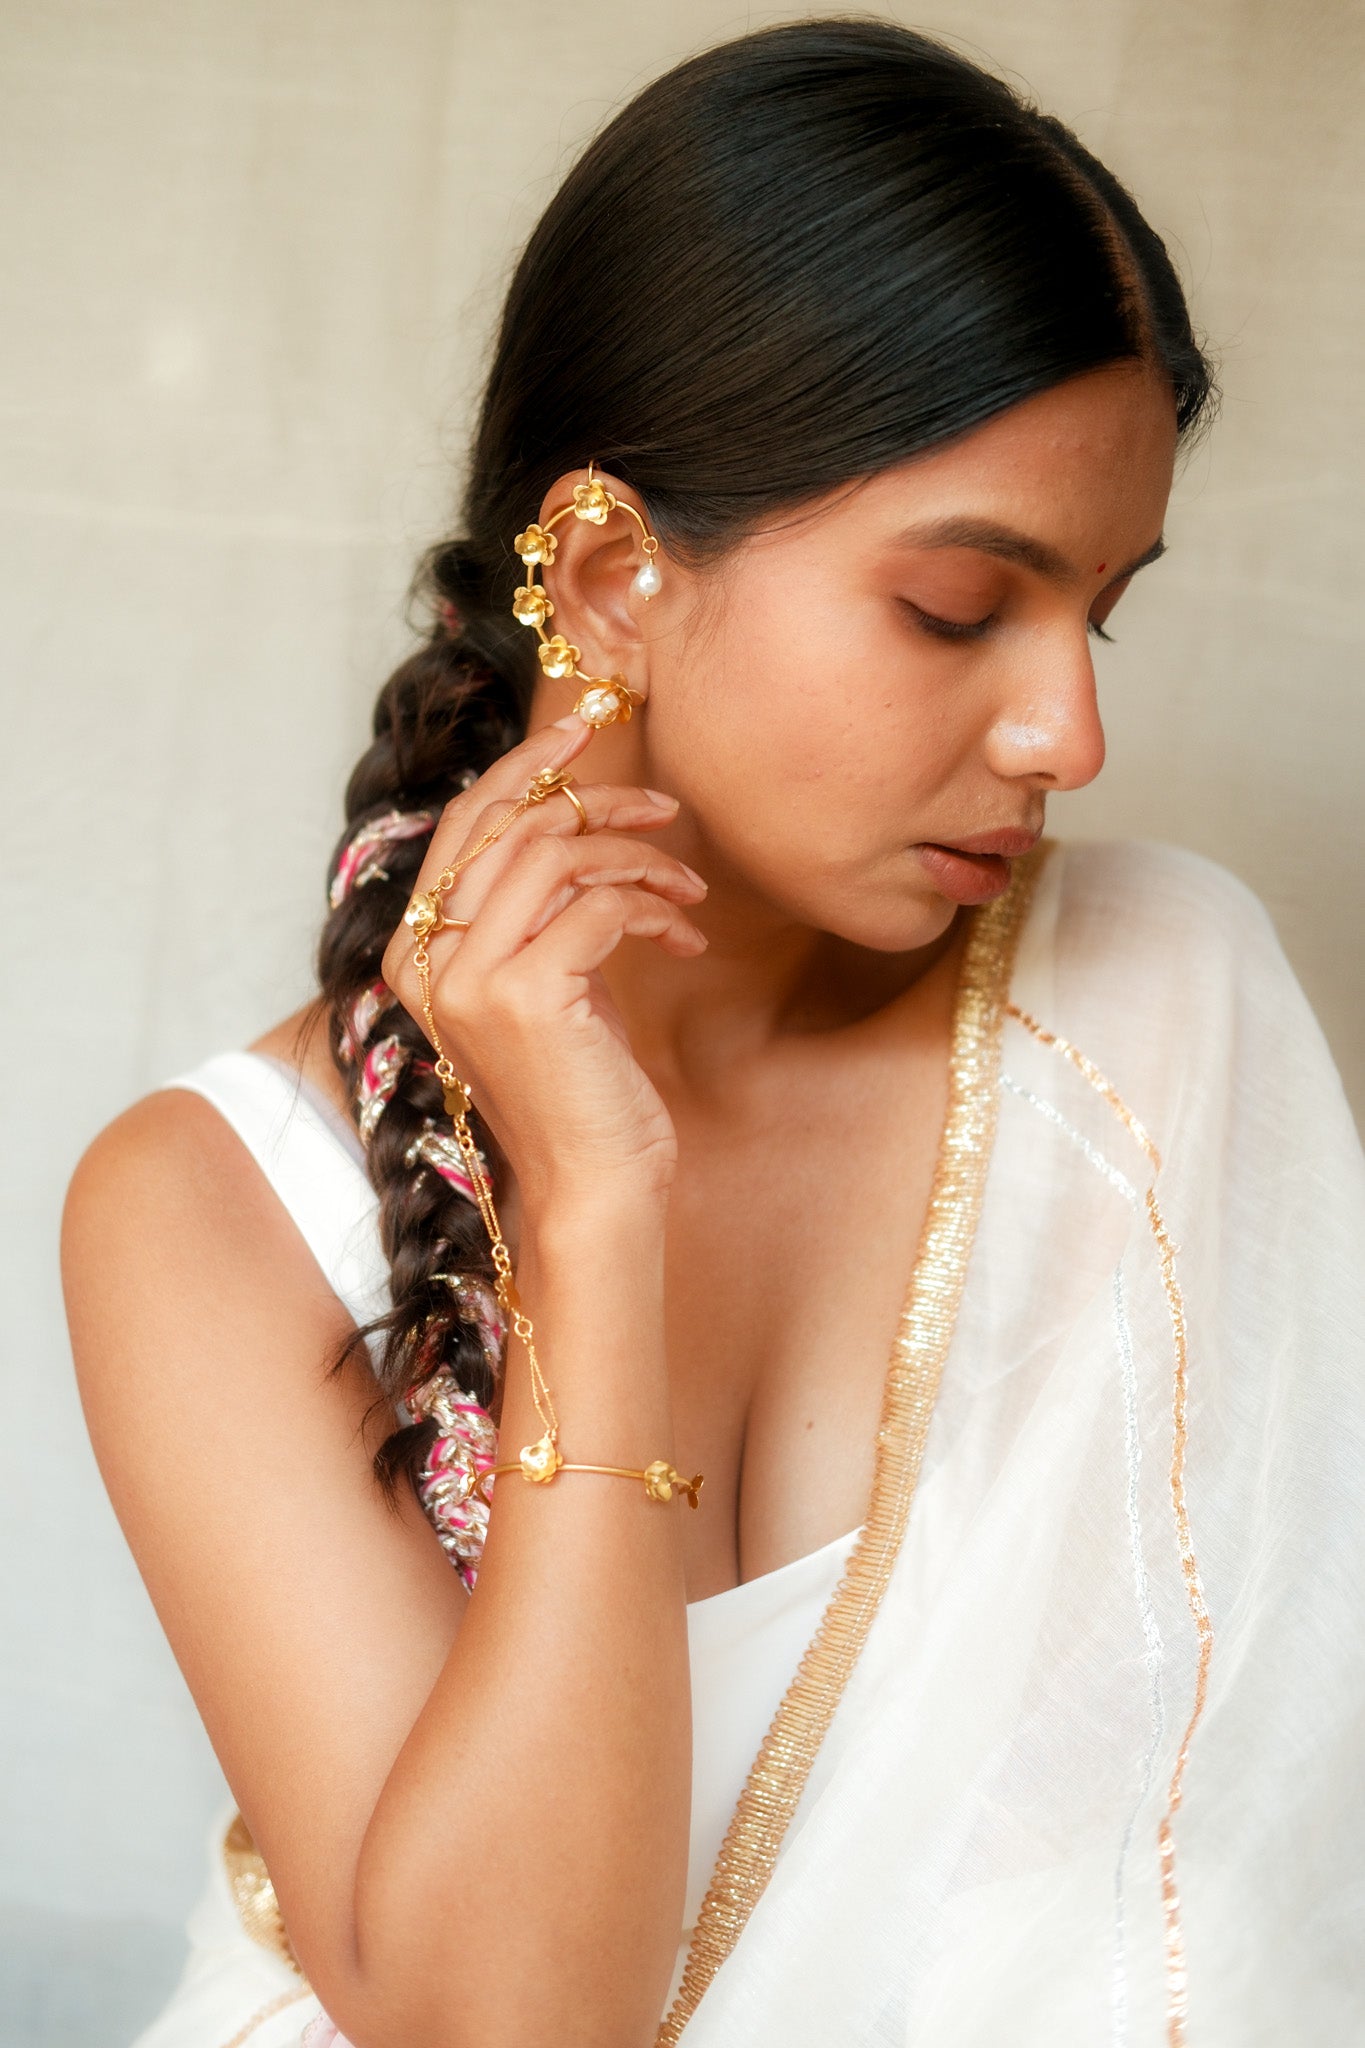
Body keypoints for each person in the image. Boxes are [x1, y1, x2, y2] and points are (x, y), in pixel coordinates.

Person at [63, 19, 1365, 2048]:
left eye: (1096, 612)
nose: (1066, 734)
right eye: (955, 608)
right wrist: (592, 1211)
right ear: (605, 572)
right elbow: (508, 2027)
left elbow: (1215, 1899)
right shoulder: (217, 1211)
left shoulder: (1149, 1019)